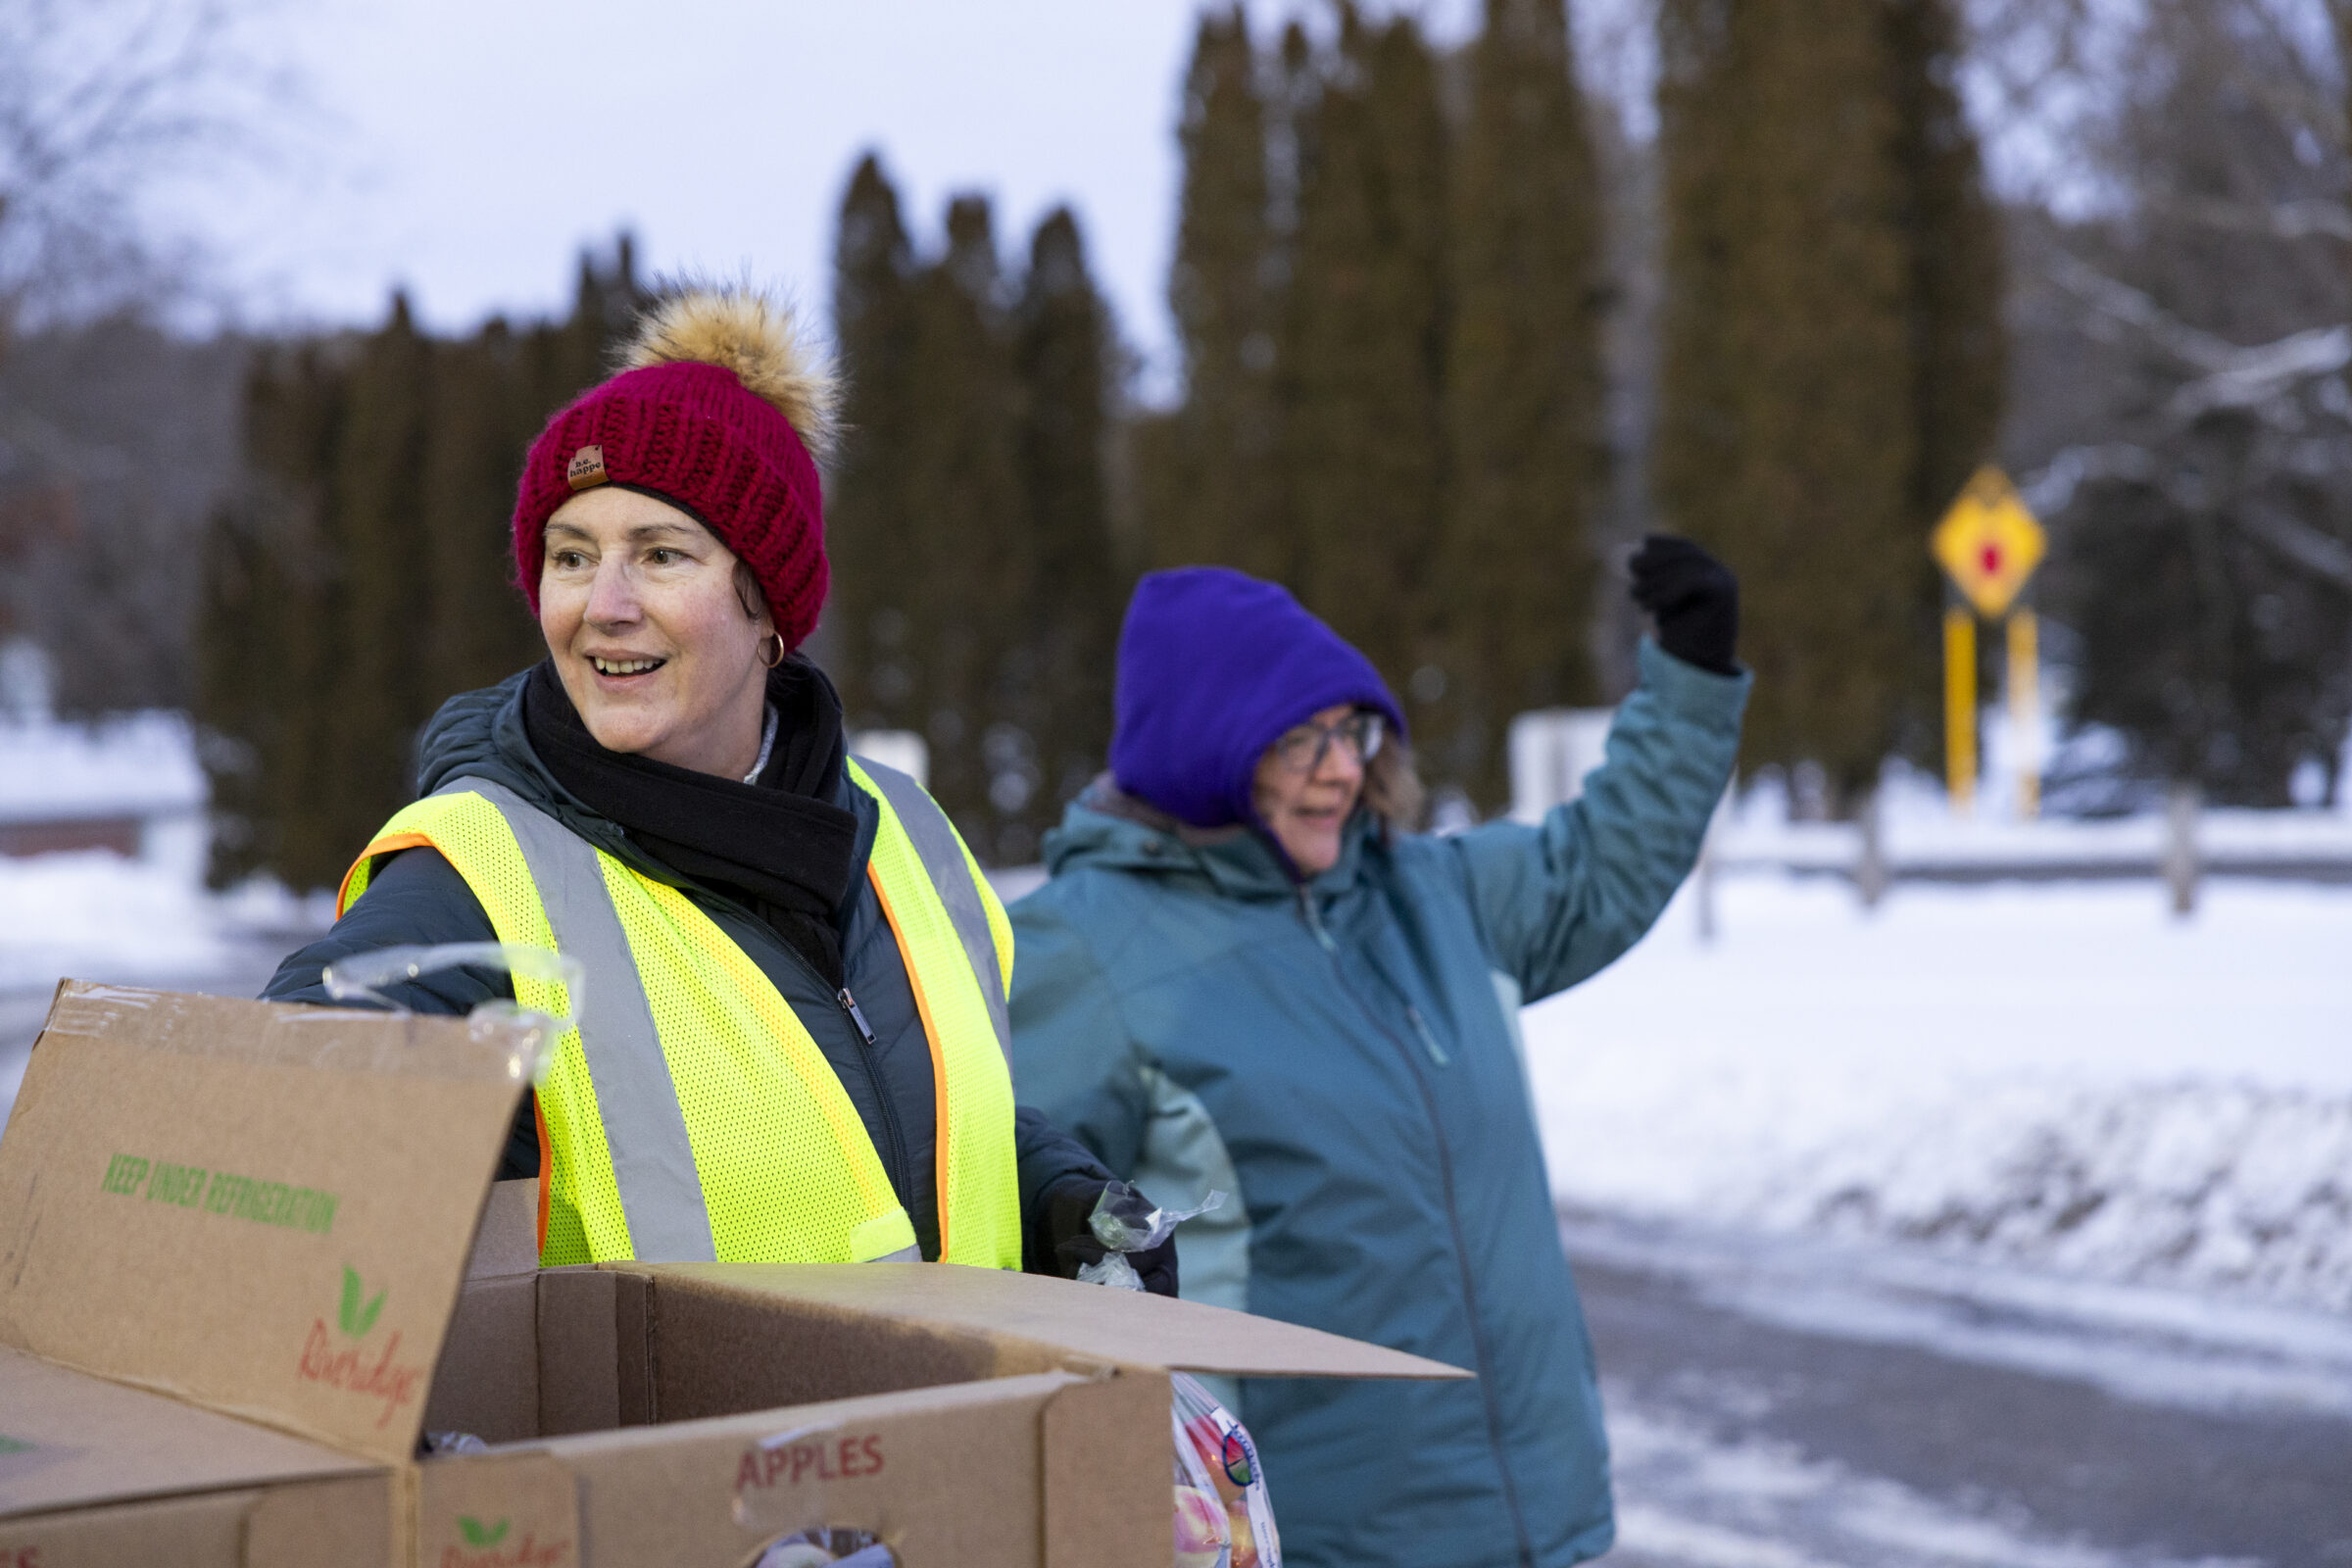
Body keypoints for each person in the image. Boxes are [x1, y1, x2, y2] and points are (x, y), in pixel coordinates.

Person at [264, 286, 1170, 1290]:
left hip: (947, 1440)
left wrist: (1051, 1194)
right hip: (689, 1453)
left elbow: (911, 1105)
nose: (603, 605)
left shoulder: (903, 829)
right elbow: (285, 1116)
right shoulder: (477, 875)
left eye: (660, 554)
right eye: (571, 557)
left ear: (766, 606)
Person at [1007, 545, 1749, 1566]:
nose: (1344, 767)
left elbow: (1600, 863)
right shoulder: (1087, 952)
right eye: (1299, 740)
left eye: (1352, 731)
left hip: (1538, 1515)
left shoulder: (1431, 895)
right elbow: (1008, 1244)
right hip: (1323, 1536)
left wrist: (1693, 680)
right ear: (1201, 744)